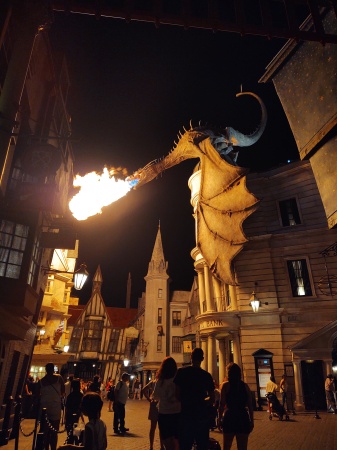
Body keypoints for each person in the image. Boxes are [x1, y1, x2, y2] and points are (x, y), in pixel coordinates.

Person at [174, 347, 215, 450]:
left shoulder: (181, 372)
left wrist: (186, 401)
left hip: (185, 415)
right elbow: (212, 398)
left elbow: (177, 394)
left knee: (185, 445)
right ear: (202, 359)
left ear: (191, 357)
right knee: (202, 445)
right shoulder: (206, 376)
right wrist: (202, 403)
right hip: (201, 416)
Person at [218, 363, 254, 450]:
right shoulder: (245, 386)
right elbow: (250, 405)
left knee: (227, 446)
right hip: (242, 416)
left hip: (230, 416)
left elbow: (222, 404)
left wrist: (219, 419)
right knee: (242, 447)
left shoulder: (226, 386)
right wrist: (251, 420)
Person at [153, 357, 181, 450]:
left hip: (164, 413)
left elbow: (155, 396)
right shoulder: (177, 380)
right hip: (177, 412)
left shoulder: (160, 382)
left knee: (166, 439)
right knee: (176, 439)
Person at [37, 362, 65, 450]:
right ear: (53, 369)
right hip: (55, 406)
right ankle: (53, 448)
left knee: (45, 431)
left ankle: (45, 447)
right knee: (54, 431)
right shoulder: (59, 378)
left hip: (44, 407)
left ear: (46, 370)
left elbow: (38, 394)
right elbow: (63, 392)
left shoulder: (41, 381)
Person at [142, 375, 165, 450]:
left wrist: (149, 399)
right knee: (161, 427)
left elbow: (144, 390)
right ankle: (162, 446)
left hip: (154, 403)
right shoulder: (164, 382)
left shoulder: (153, 382)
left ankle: (151, 446)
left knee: (152, 427)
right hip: (162, 404)